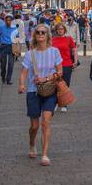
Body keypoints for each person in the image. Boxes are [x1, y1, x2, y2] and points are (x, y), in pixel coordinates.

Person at [20, 24, 63, 166]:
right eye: (38, 32)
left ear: (48, 35)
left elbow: (60, 72)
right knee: (34, 126)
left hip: (50, 91)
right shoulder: (29, 54)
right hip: (33, 91)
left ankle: (44, 155)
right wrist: (21, 84)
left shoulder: (54, 52)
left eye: (43, 32)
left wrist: (47, 78)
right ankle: (32, 143)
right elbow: (24, 73)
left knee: (45, 121)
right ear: (34, 36)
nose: (40, 34)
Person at [51, 23, 78, 110]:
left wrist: (76, 61)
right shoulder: (52, 40)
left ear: (64, 30)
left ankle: (64, 104)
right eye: (58, 29)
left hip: (67, 64)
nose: (60, 30)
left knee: (65, 84)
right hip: (54, 65)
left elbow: (74, 50)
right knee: (55, 84)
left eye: (62, 29)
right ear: (56, 30)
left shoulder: (69, 39)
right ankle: (55, 103)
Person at [0, 15, 15, 84]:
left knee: (11, 64)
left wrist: (18, 48)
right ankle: (3, 76)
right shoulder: (1, 27)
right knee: (3, 64)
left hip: (11, 46)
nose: (8, 22)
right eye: (7, 20)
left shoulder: (14, 28)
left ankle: (8, 79)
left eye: (9, 20)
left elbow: (17, 37)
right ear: (5, 21)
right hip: (3, 46)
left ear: (11, 21)